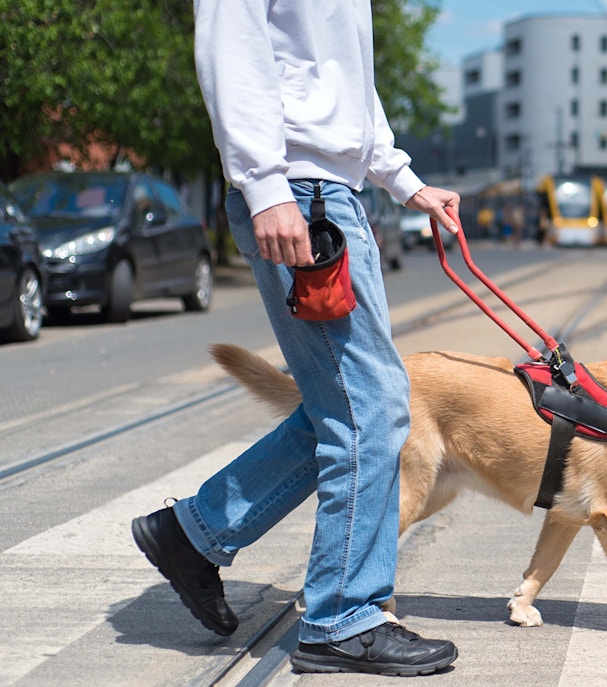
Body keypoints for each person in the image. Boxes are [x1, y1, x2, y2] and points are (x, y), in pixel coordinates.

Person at [130, 0, 461, 677]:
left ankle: (194, 533)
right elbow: (233, 45)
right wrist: (264, 182)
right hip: (299, 195)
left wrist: (403, 180)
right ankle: (343, 615)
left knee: (349, 405)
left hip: (330, 193)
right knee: (373, 407)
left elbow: (343, 76)